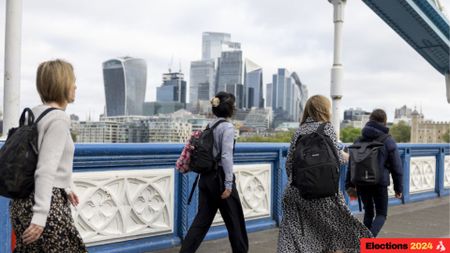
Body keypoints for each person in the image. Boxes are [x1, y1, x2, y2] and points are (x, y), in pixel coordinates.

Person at [277, 95, 372, 253]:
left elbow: (289, 165)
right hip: (324, 195)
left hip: (296, 193)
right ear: (324, 110)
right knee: (340, 231)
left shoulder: (299, 131)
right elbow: (336, 158)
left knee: (295, 235)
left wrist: (301, 182)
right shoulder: (327, 128)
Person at [10, 59, 87, 252]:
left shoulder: (34, 114)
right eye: (72, 81)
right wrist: (40, 216)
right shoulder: (59, 119)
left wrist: (67, 187)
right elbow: (45, 169)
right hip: (45, 205)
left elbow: (34, 159)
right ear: (62, 84)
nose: (75, 86)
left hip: (21, 202)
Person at [180, 91, 248, 253]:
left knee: (201, 222)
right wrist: (228, 184)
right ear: (230, 109)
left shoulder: (209, 126)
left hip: (205, 179)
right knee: (235, 222)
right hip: (220, 179)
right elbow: (226, 156)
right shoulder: (227, 128)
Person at [345, 109, 403, 237]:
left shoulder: (358, 140)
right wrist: (398, 188)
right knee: (381, 214)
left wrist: (349, 184)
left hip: (361, 182)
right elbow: (397, 168)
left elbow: (351, 165)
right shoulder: (388, 141)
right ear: (384, 122)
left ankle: (362, 242)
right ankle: (367, 241)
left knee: (368, 212)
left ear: (370, 120)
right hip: (379, 183)